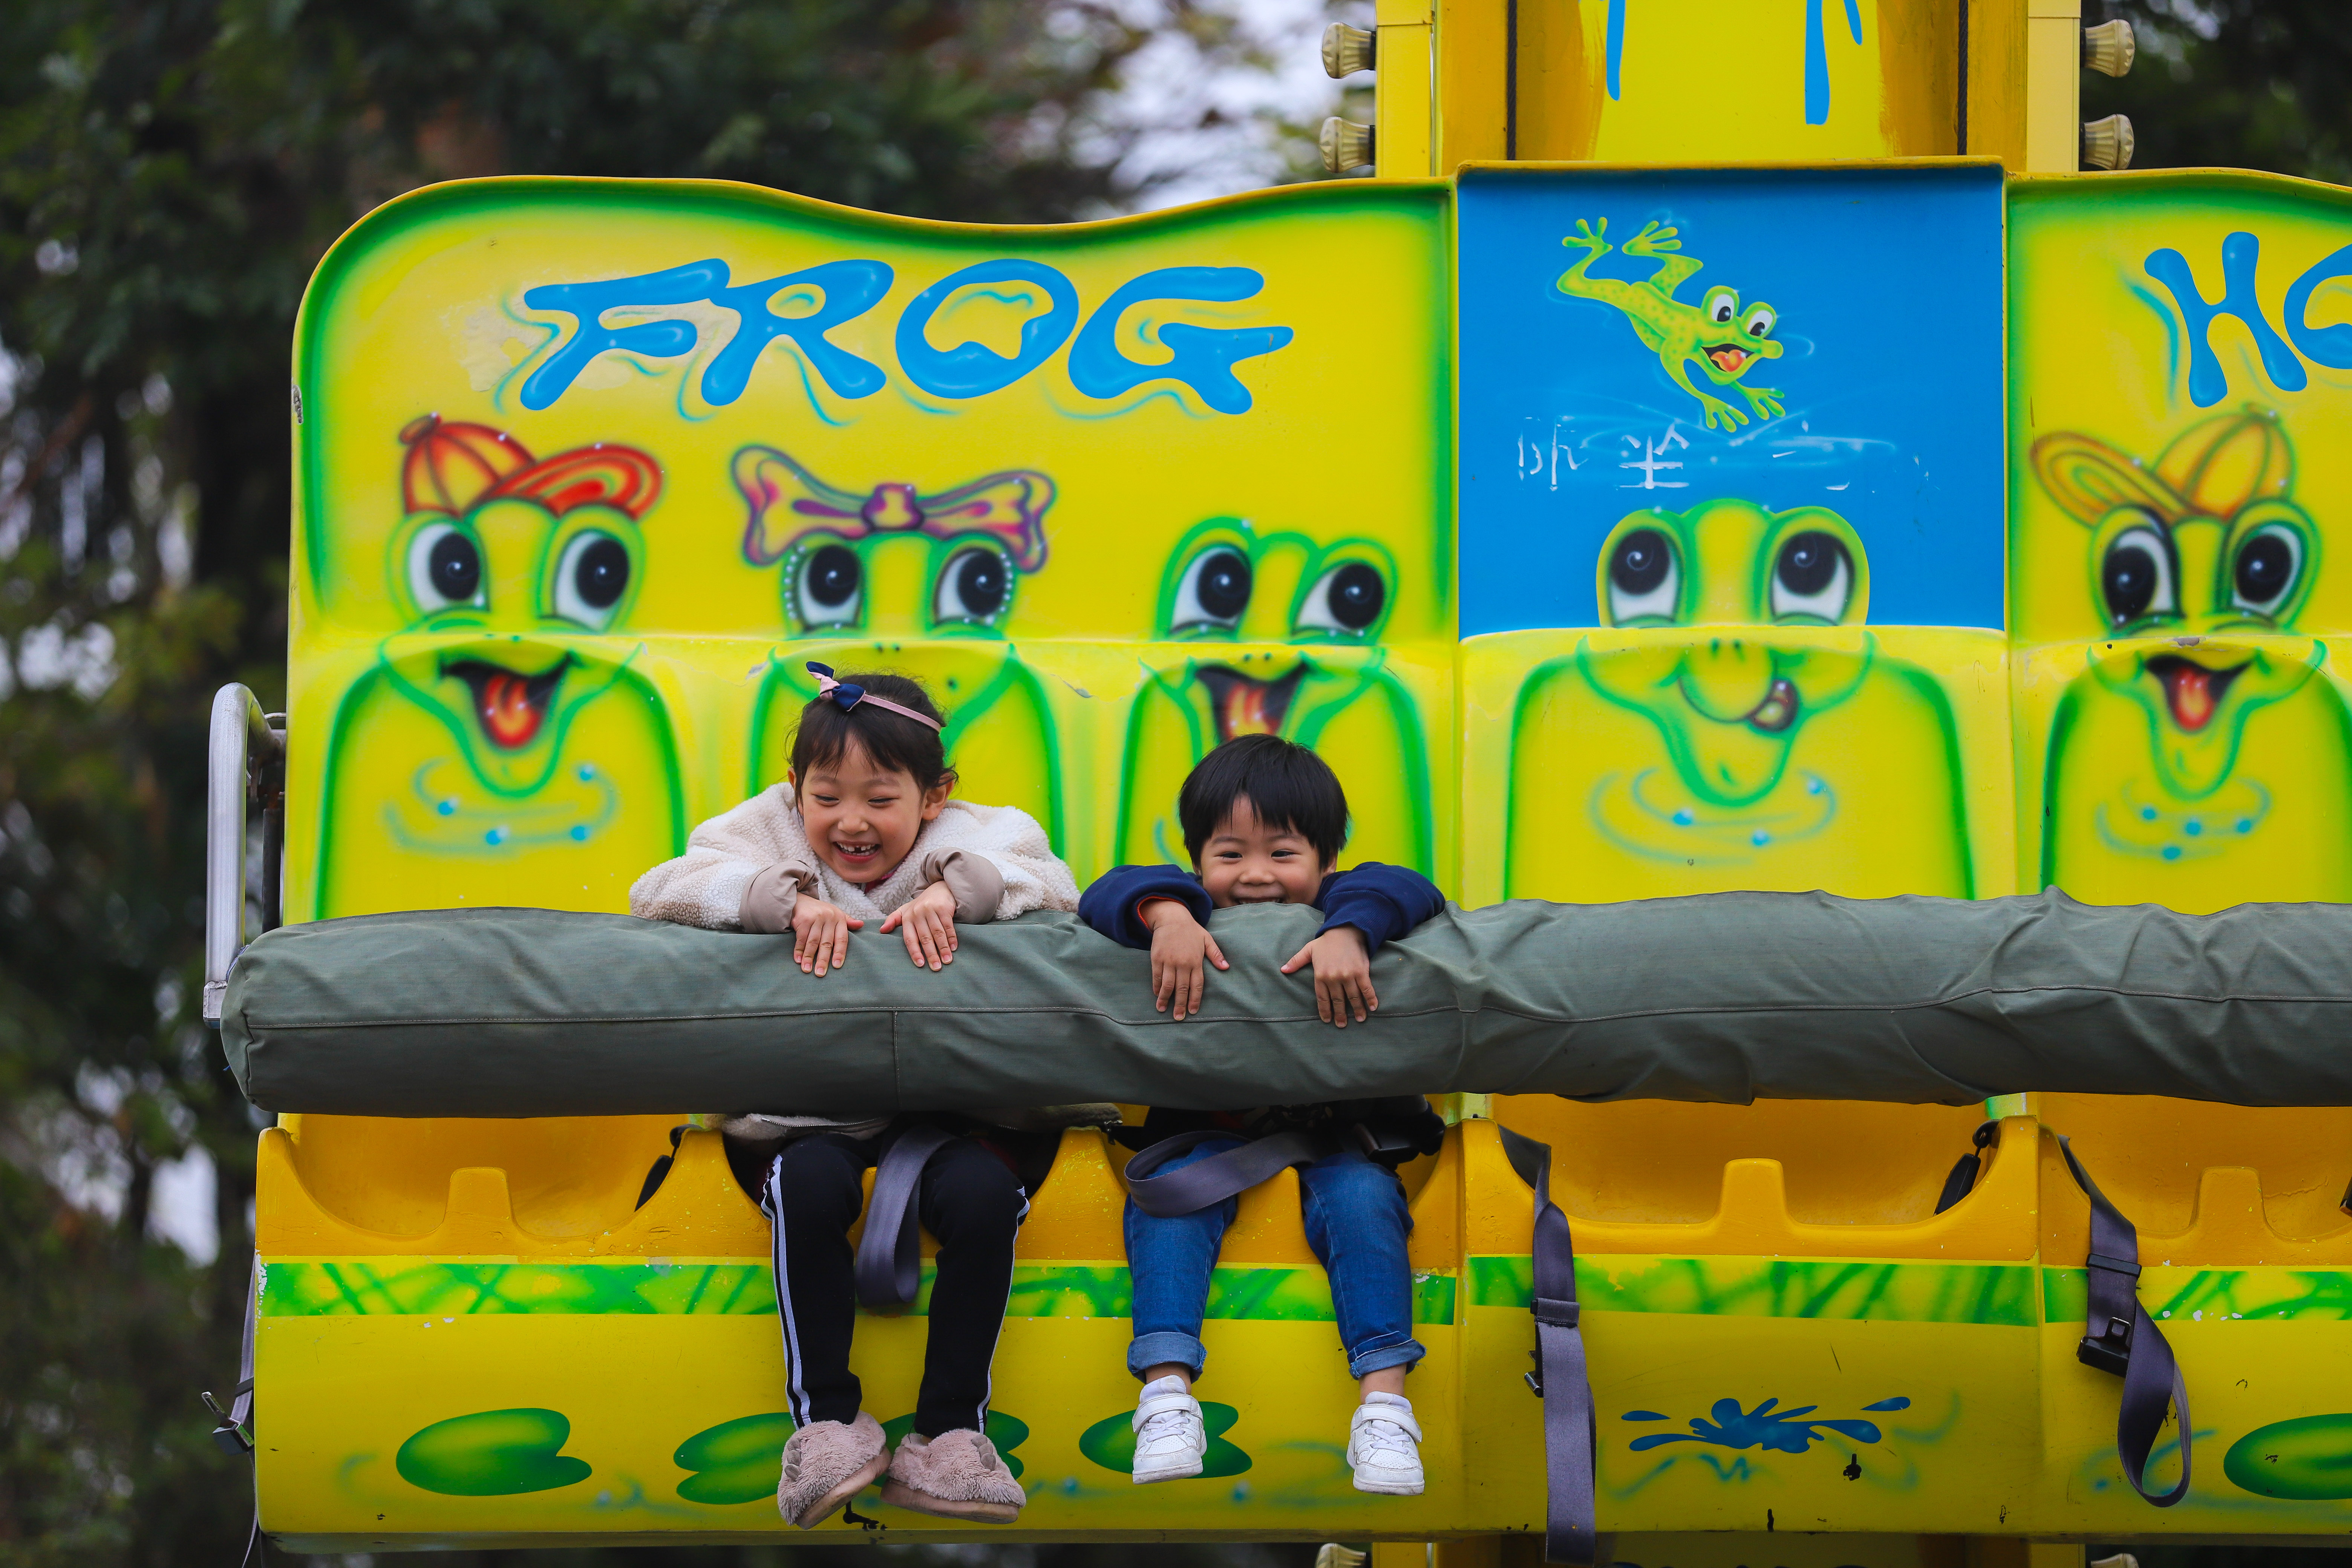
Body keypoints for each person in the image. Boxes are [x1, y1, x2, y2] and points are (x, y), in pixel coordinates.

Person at [631, 663, 1087, 1529]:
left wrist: (957, 891)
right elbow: (663, 890)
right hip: (812, 1110)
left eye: (881, 798)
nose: (850, 822)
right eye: (826, 796)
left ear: (935, 795)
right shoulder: (768, 832)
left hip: (948, 1111)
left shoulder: (978, 832)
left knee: (987, 1195)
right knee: (806, 1186)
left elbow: (1050, 877)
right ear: (794, 787)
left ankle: (952, 1436)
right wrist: (780, 900)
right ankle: (828, 1424)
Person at [1077, 733, 1447, 1496]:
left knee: (1365, 1198)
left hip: (1333, 1139)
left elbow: (1406, 885)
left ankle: (1384, 1406)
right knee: (1171, 1199)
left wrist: (1349, 931)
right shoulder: (1183, 901)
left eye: (1282, 855)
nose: (1253, 877)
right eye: (1228, 854)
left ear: (1325, 861)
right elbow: (1109, 890)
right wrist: (1171, 915)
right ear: (1197, 860)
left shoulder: (1350, 901)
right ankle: (1167, 1389)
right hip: (1207, 1142)